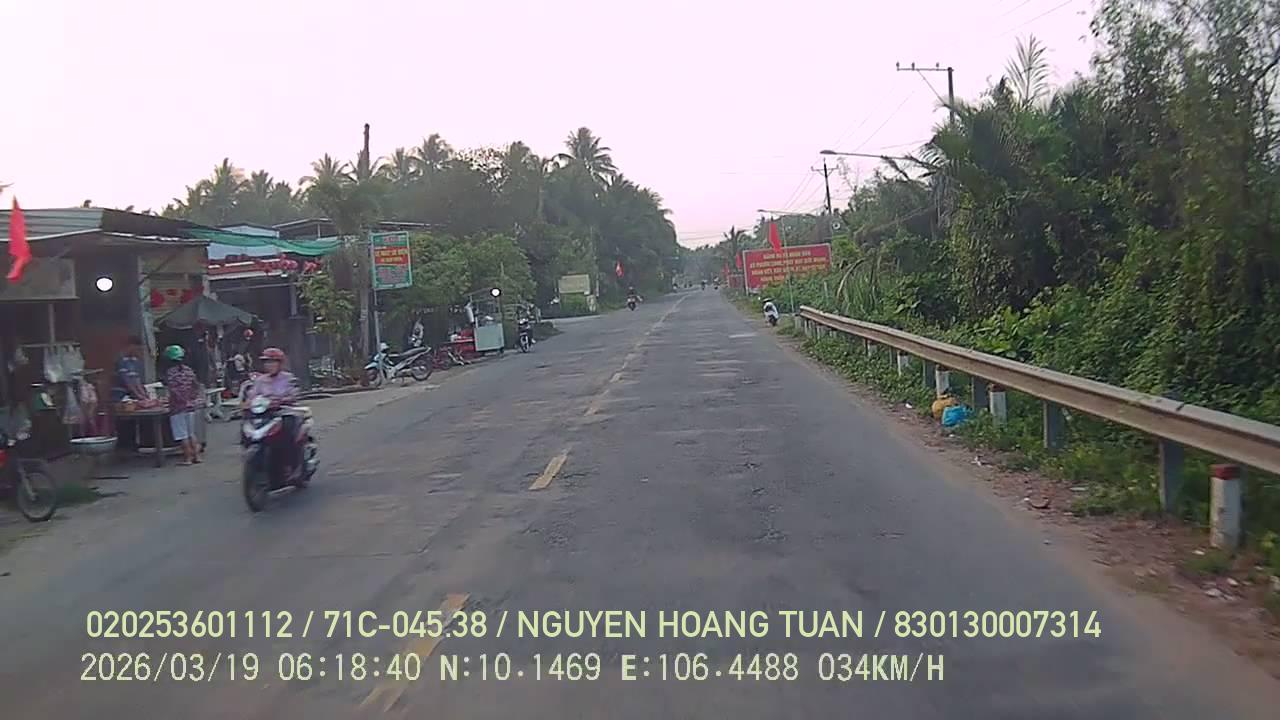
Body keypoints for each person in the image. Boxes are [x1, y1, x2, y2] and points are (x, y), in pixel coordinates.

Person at [245, 348, 301, 475]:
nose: (269, 365)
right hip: (264, 413)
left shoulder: (288, 378)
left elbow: (294, 393)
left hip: (283, 412)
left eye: (272, 362)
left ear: (280, 363)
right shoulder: (260, 380)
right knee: (246, 424)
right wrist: (247, 403)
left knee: (287, 429)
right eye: (267, 362)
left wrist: (283, 400)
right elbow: (252, 395)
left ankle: (290, 464)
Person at [162, 345, 201, 465]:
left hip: (177, 407)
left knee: (182, 434)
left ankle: (187, 458)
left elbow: (173, 390)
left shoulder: (170, 372)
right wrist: (191, 398)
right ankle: (197, 456)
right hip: (190, 406)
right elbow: (196, 385)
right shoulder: (188, 370)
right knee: (191, 433)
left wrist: (179, 400)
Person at [111, 335, 148, 402]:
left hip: (130, 393)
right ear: (131, 347)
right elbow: (126, 380)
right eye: (137, 349)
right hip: (120, 392)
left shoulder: (134, 360)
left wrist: (143, 394)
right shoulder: (121, 359)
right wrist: (137, 395)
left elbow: (136, 379)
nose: (138, 352)